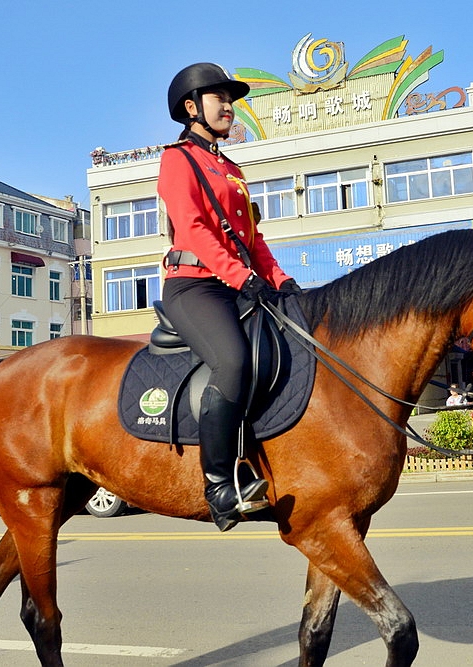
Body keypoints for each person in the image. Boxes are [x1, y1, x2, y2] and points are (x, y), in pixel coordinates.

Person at [158, 63, 301, 532]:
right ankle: (220, 485)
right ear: (191, 107)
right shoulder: (177, 159)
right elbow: (196, 230)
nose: (228, 106)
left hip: (235, 280)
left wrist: (279, 280)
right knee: (233, 360)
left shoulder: (230, 167)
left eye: (230, 98)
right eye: (217, 98)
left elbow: (252, 239)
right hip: (194, 285)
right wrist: (242, 278)